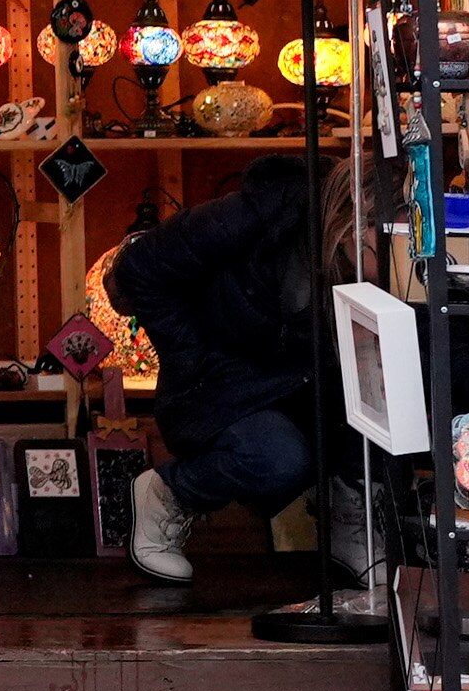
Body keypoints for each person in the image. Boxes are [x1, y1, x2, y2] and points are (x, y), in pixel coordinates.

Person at [109, 155, 333, 584]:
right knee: (277, 459)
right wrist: (189, 354)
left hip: (310, 384)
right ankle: (170, 493)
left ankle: (348, 515)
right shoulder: (261, 211)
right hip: (226, 379)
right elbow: (139, 268)